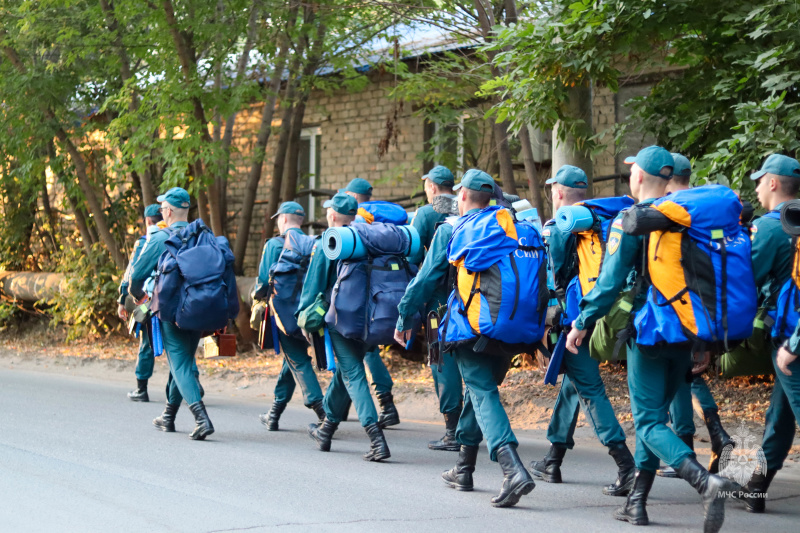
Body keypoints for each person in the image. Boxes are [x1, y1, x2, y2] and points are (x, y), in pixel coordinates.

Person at [566, 146, 734, 531]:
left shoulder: (633, 220)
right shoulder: (688, 218)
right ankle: (637, 503)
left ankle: (704, 481)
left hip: (650, 332)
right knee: (655, 418)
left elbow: (608, 282)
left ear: (637, 177)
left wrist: (582, 322)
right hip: (689, 333)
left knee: (647, 423)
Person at [530, 165, 635, 497]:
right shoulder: (601, 219)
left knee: (590, 389)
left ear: (558, 192)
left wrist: (555, 322)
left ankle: (626, 466)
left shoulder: (562, 226)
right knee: (573, 384)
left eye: (552, 188)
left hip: (578, 319)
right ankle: (553, 458)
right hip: (610, 313)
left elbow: (556, 279)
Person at [438, 169, 536, 508]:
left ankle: (512, 470)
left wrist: (406, 313)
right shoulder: (519, 227)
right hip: (512, 328)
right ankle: (464, 468)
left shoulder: (463, 229)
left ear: (462, 196)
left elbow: (432, 276)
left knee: (481, 394)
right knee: (478, 395)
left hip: (474, 328)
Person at [658, 153, 734, 477]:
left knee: (680, 374)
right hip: (706, 305)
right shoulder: (705, 207)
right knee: (691, 373)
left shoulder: (672, 210)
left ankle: (686, 449)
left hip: (677, 306)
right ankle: (717, 432)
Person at [301, 192, 391, 461]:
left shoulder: (329, 242)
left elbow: (313, 285)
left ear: (332, 215)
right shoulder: (372, 238)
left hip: (341, 319)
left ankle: (377, 439)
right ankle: (327, 429)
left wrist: (303, 317)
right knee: (344, 372)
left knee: (352, 374)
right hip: (374, 318)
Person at [738, 154, 800, 512]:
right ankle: (756, 487)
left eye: (761, 180)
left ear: (774, 183)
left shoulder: (770, 228)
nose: (758, 187)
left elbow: (747, 279)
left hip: (792, 336)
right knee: (780, 413)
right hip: (791, 336)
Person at [130, 187, 213, 441]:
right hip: (201, 307)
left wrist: (140, 298)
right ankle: (168, 416)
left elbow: (136, 276)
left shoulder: (159, 238)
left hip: (172, 310)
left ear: (167, 211)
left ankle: (202, 418)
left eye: (163, 207)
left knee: (179, 364)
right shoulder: (204, 234)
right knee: (185, 361)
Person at [394, 165, 463, 451]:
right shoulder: (468, 209)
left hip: (438, 300)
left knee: (441, 361)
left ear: (432, 187)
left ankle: (452, 430)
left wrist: (406, 308)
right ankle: (470, 427)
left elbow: (411, 253)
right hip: (472, 296)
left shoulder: (426, 213)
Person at [254, 201, 325, 431]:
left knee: (298, 360)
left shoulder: (275, 245)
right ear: (301, 221)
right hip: (309, 314)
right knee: (292, 359)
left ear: (283, 219)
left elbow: (264, 282)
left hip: (282, 315)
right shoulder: (314, 244)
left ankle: (323, 412)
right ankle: (274, 413)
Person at [341, 177, 399, 427]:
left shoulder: (361, 221)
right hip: (387, 288)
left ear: (353, 198)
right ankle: (384, 403)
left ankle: (384, 404)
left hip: (363, 292)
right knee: (367, 350)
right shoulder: (383, 220)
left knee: (359, 351)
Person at [118, 204, 163, 402]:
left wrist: (123, 299)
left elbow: (132, 272)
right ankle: (193, 386)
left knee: (146, 342)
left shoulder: (145, 242)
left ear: (147, 221)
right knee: (178, 345)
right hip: (172, 299)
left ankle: (141, 388)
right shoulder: (174, 238)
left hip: (148, 301)